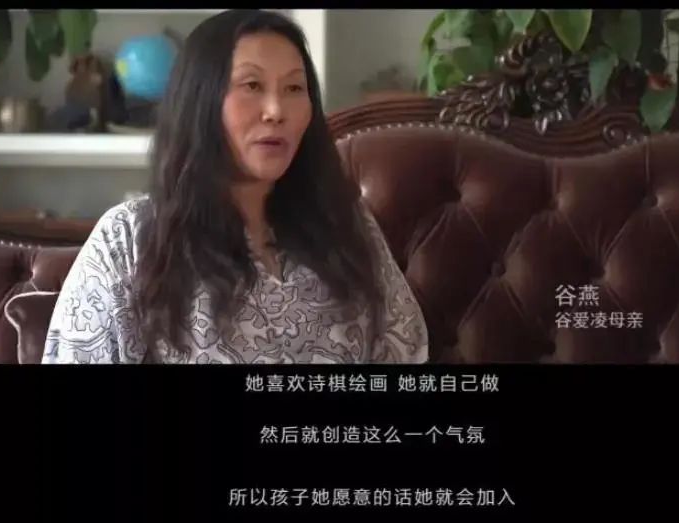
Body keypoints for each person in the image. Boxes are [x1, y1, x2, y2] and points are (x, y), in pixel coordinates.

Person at [42, 9, 428, 364]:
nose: (276, 111)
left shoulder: (347, 225)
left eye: (295, 88)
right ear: (201, 101)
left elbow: (406, 354)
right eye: (252, 85)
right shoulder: (129, 239)